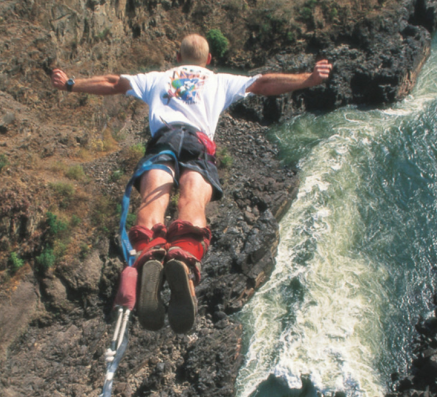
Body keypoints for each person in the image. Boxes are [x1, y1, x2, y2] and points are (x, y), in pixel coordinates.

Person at [52, 34, 332, 334]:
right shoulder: (218, 80)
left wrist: (71, 83)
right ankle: (182, 259)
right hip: (198, 143)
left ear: (177, 56)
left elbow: (112, 82)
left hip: (164, 139)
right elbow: (263, 83)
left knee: (151, 201)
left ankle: (149, 254)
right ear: (208, 60)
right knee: (191, 202)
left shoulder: (157, 78)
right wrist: (307, 79)